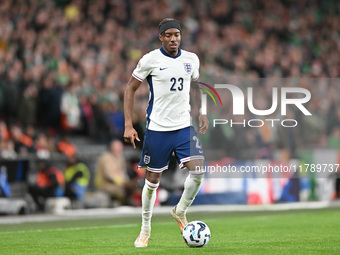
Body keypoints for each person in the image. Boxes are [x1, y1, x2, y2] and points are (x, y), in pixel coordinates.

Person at [123, 18, 208, 248]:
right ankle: (145, 228)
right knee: (152, 182)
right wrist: (129, 124)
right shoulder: (150, 59)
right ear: (161, 37)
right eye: (168, 35)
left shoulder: (191, 59)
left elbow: (197, 85)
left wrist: (202, 112)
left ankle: (180, 211)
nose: (173, 39)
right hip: (158, 129)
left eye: (177, 35)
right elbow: (130, 88)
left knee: (198, 170)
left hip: (183, 126)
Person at [94, 139, 137, 205]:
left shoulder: (120, 158)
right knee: (124, 191)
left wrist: (127, 182)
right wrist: (123, 183)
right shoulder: (106, 158)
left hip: (117, 184)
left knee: (133, 187)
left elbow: (123, 173)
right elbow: (109, 175)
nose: (120, 149)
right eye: (118, 147)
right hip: (105, 185)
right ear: (112, 148)